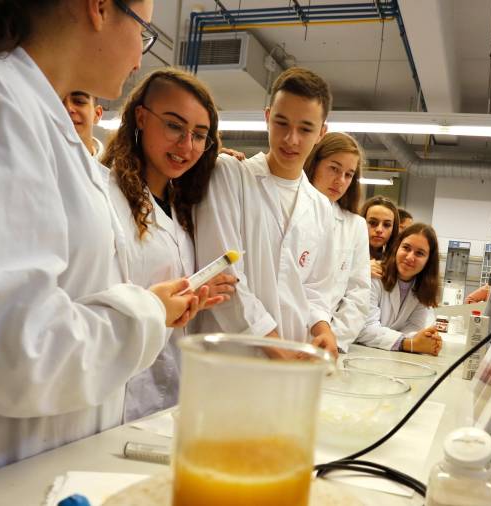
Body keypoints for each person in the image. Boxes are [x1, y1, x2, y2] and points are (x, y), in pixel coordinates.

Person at [0, 0, 199, 490]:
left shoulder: (21, 104)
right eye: (144, 31)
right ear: (97, 8)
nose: (141, 55)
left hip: (34, 468)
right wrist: (147, 312)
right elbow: (12, 345)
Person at [101, 68, 237, 421]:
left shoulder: (181, 206)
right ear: (142, 118)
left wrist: (194, 292)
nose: (186, 146)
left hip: (169, 390)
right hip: (118, 390)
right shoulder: (106, 195)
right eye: (175, 126)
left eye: (199, 135)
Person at [194, 67, 339, 357]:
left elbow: (317, 289)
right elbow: (223, 274)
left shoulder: (320, 207)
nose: (291, 139)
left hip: (293, 359)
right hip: (230, 360)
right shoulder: (230, 176)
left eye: (306, 129)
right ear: (267, 117)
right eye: (281, 123)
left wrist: (322, 329)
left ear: (322, 133)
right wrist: (275, 345)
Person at [303, 132, 370, 353]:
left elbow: (358, 293)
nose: (340, 181)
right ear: (314, 163)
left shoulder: (355, 226)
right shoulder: (291, 210)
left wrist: (334, 340)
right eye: (334, 168)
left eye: (348, 174)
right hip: (280, 335)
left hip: (325, 343)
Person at [356, 223, 443, 356]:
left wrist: (426, 340)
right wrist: (410, 344)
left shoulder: (423, 289)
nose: (410, 257)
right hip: (360, 354)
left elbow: (414, 327)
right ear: (397, 247)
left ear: (428, 260)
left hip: (389, 356)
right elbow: (364, 328)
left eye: (420, 253)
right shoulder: (375, 276)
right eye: (406, 248)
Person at [360, 196, 400, 279]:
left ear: (393, 229)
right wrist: (361, 271)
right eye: (372, 222)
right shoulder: (346, 252)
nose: (379, 230)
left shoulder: (397, 259)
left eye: (387, 225)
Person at [63, 90, 105, 159]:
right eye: (58, 103)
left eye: (79, 101)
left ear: (97, 114)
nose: (67, 108)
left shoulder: (114, 167)